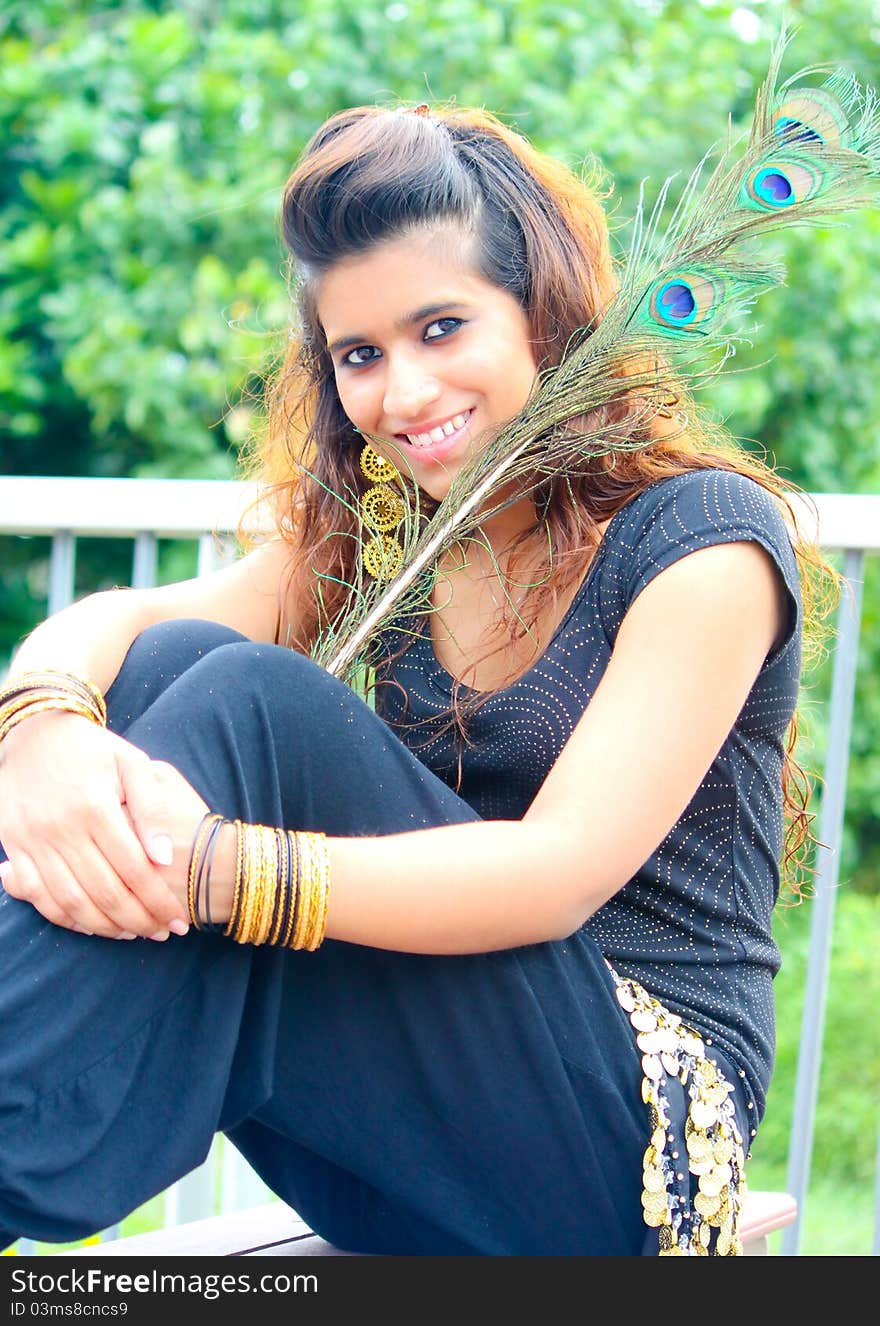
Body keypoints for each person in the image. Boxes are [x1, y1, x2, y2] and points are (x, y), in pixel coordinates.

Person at [0, 101, 839, 1257]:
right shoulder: (385, 533)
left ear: (541, 318)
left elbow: (553, 876)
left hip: (625, 1154)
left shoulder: (700, 544)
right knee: (172, 667)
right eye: (361, 355)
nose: (401, 395)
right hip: (415, 1146)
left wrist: (202, 869)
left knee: (259, 705)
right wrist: (38, 732)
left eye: (441, 328)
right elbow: (125, 621)